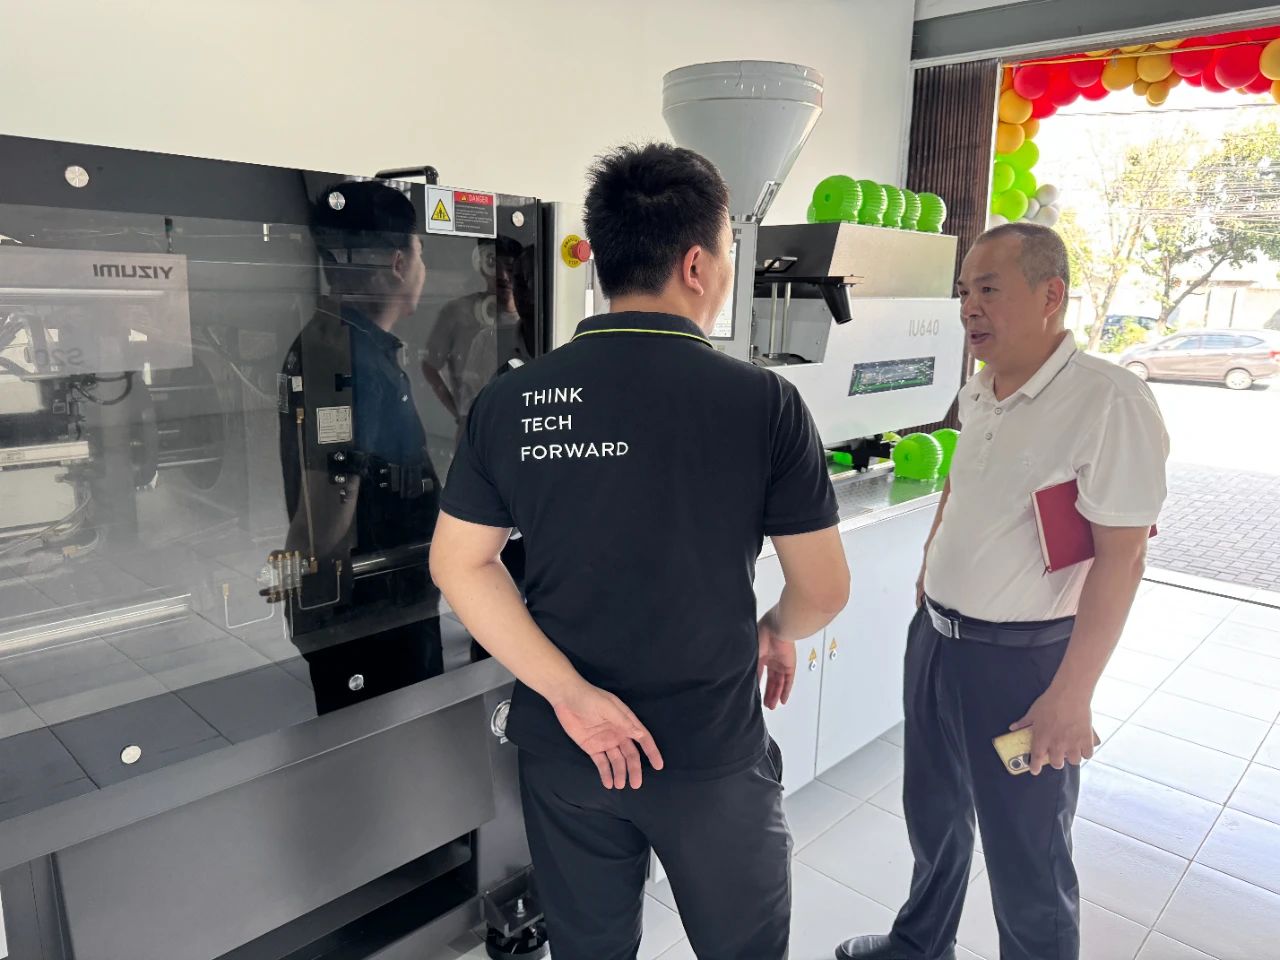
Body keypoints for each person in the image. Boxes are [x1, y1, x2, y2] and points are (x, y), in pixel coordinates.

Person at [429, 142, 850, 960]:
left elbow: (459, 563)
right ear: (696, 264)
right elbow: (824, 589)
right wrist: (774, 629)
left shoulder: (513, 399)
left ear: (603, 259)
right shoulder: (764, 403)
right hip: (708, 752)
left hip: (569, 749)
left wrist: (571, 696)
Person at [836, 222, 1169, 960]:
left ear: (1051, 295)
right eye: (964, 291)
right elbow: (962, 486)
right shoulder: (981, 389)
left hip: (1023, 666)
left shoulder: (1108, 402)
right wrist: (930, 567)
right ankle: (920, 943)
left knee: (1027, 849)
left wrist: (1071, 696)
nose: (969, 308)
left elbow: (1123, 560)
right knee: (933, 813)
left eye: (988, 288)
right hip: (937, 642)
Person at [278, 179, 444, 713]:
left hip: (379, 606)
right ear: (398, 263)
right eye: (420, 252)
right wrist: (310, 596)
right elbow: (327, 512)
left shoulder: (347, 343)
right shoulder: (344, 357)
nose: (423, 267)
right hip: (371, 615)